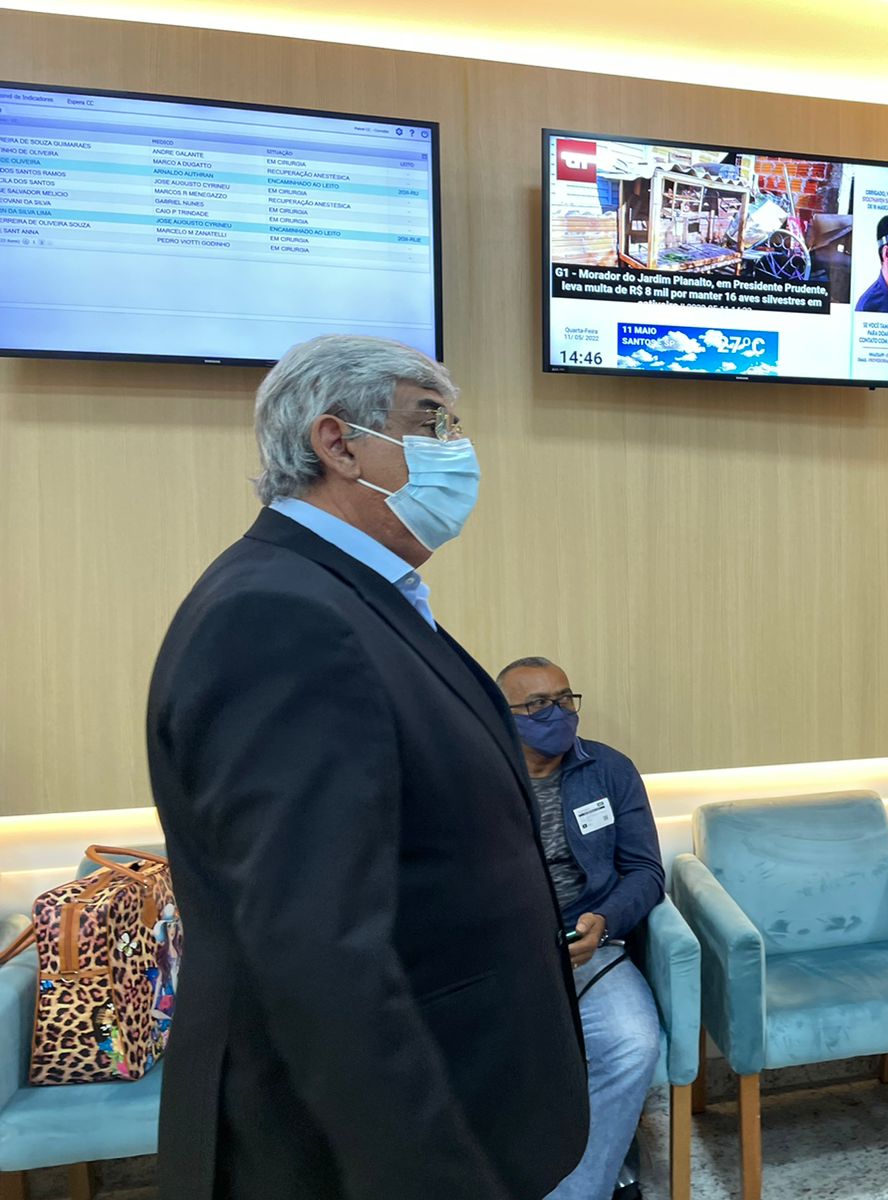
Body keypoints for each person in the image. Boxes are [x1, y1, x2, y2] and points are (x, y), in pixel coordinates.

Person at [146, 334, 588, 1200]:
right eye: (432, 424)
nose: (458, 449)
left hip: (466, 1092)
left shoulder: (354, 598)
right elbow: (317, 950)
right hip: (360, 1156)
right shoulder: (276, 615)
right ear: (338, 444)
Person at [496, 656, 666, 1200]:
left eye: (564, 698)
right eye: (537, 705)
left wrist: (604, 921)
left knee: (634, 1044)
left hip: (589, 945)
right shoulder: (475, 779)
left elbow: (646, 872)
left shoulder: (609, 770)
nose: (558, 713)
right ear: (502, 714)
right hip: (504, 956)